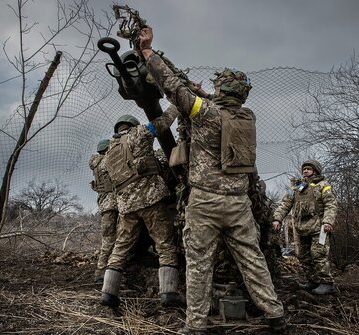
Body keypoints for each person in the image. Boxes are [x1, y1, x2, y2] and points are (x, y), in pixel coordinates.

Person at [139, 27, 286, 334]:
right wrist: (206, 95)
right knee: (252, 260)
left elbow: (171, 87)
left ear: (221, 91)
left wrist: (148, 52)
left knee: (199, 265)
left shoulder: (204, 113)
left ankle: (195, 326)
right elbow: (216, 107)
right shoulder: (248, 118)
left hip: (204, 202)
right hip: (238, 202)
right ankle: (275, 315)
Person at [100, 114, 185, 308]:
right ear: (132, 126)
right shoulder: (138, 134)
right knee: (165, 244)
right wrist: (177, 102)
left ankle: (108, 293)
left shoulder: (109, 153)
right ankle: (169, 293)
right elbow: (163, 122)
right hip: (150, 201)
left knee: (120, 247)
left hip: (126, 207)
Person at [272, 160, 338, 295]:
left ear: (315, 171)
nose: (305, 171)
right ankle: (313, 281)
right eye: (304, 169)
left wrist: (328, 222)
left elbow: (331, 204)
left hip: (319, 229)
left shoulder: (323, 185)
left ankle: (327, 283)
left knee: (318, 254)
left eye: (309, 169)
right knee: (303, 256)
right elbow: (285, 204)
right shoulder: (298, 187)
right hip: (302, 229)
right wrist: (277, 218)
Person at [89, 139, 119, 283]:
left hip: (104, 206)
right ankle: (102, 272)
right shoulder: (107, 162)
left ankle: (102, 271)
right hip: (113, 205)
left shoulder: (96, 164)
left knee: (108, 239)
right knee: (111, 240)